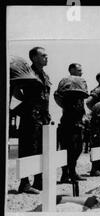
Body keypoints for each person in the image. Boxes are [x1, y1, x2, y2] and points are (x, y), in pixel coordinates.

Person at [12, 47, 51, 194]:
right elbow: (16, 92)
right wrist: (29, 102)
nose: (46, 57)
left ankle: (38, 181)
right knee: (28, 148)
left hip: (43, 117)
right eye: (43, 55)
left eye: (46, 55)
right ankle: (24, 183)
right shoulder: (27, 73)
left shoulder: (44, 75)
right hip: (30, 116)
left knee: (41, 148)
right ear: (34, 58)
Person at [54, 63, 89, 183]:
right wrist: (66, 106)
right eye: (79, 70)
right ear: (71, 70)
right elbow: (57, 95)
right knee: (67, 149)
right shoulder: (65, 81)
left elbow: (82, 101)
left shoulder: (80, 83)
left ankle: (72, 172)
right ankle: (65, 174)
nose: (81, 72)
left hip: (79, 120)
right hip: (68, 120)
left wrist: (83, 115)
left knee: (78, 148)